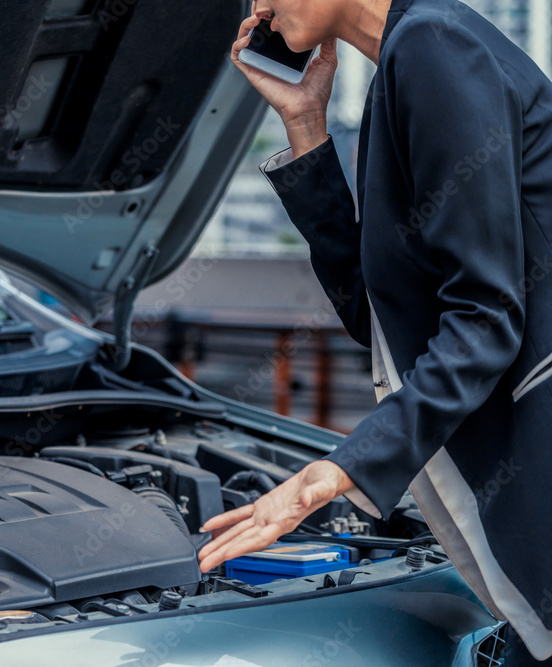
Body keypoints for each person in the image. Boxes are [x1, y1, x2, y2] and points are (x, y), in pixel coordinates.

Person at [196, 0, 552, 663]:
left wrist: (330, 475)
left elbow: (486, 318)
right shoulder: (403, 68)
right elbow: (379, 317)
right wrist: (304, 124)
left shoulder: (432, 45)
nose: (258, 8)